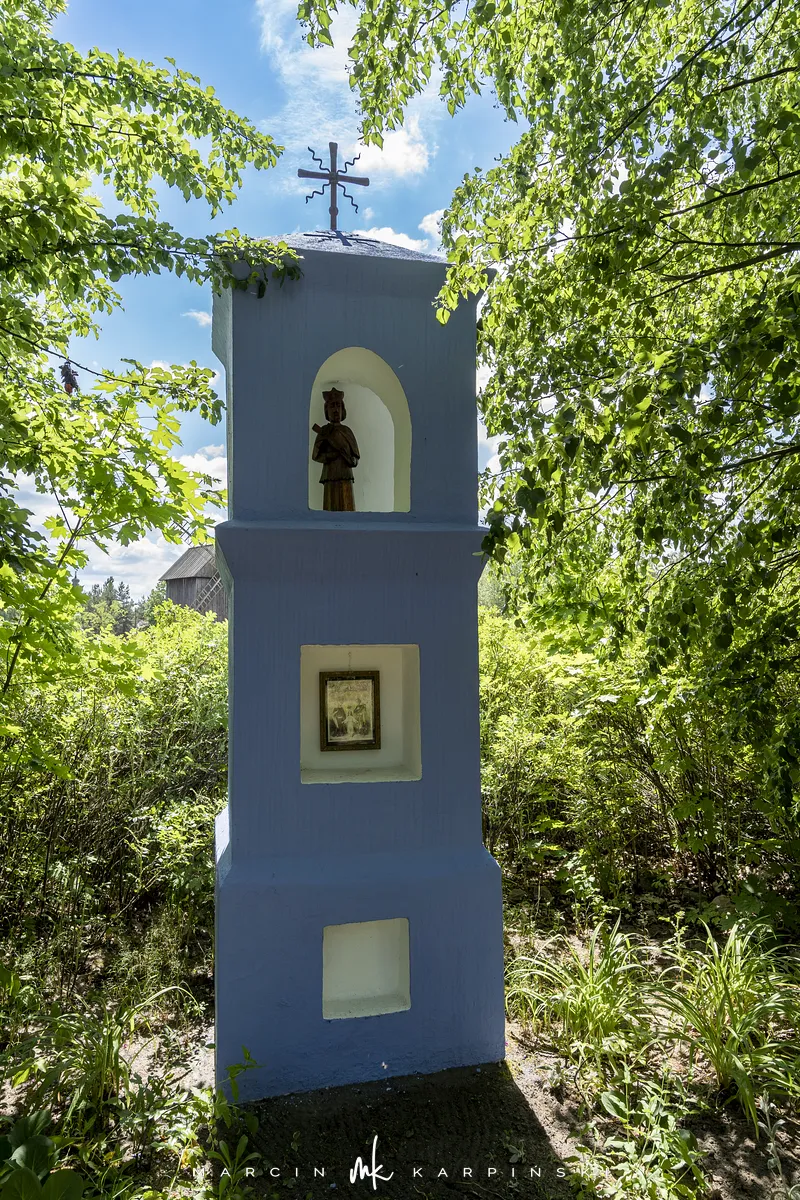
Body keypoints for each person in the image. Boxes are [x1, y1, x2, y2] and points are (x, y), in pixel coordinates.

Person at [312, 387, 360, 511]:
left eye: (338, 405)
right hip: (330, 475)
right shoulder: (324, 431)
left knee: (347, 505)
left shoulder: (347, 431)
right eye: (332, 406)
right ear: (326, 410)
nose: (335, 410)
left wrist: (351, 460)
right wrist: (330, 456)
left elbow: (355, 458)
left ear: (342, 409)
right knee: (330, 505)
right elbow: (316, 456)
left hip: (346, 474)